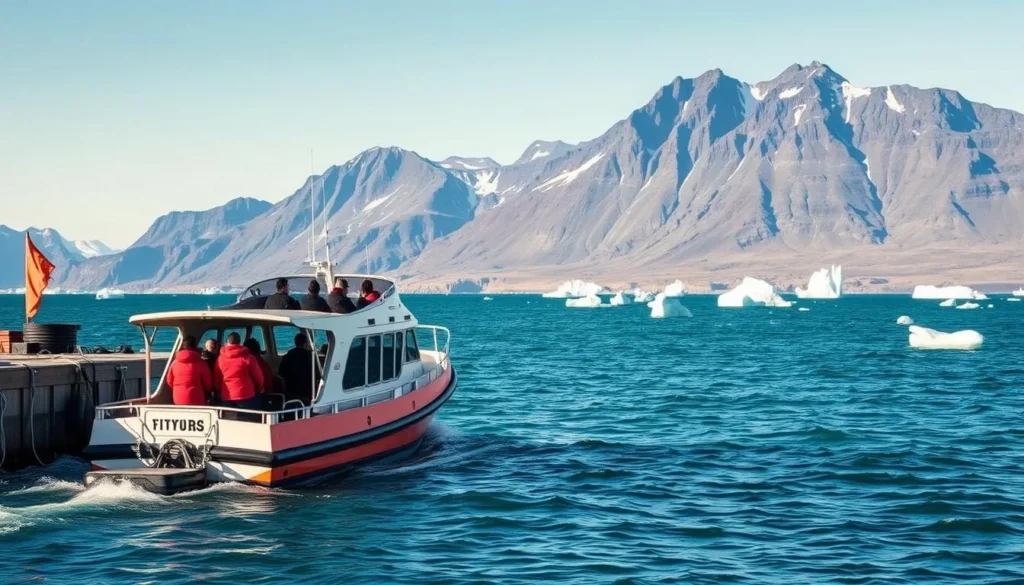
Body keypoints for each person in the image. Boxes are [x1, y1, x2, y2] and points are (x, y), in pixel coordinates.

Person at [214, 332, 264, 410]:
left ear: (227, 342)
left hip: (226, 395)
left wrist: (217, 391)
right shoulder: (249, 358)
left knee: (228, 420)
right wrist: (260, 388)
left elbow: (217, 378)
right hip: (246, 395)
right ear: (240, 343)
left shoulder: (220, 359)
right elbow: (259, 377)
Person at [166, 335, 212, 406]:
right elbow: (208, 383)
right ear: (195, 347)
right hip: (197, 398)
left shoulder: (175, 363)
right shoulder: (201, 363)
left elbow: (169, 381)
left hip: (178, 398)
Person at [278, 333, 318, 405]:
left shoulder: (288, 355)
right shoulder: (310, 356)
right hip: (306, 391)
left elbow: (281, 373)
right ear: (305, 343)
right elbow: (316, 373)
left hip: (291, 390)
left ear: (295, 342)